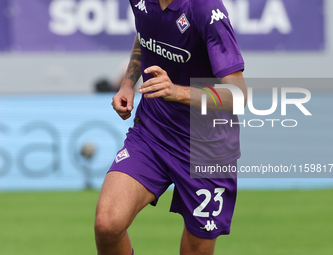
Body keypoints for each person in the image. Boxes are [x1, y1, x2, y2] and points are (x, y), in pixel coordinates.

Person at [94, 0, 247, 254]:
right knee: (107, 224)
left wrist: (177, 91)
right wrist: (128, 83)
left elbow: (238, 95)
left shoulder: (207, 11)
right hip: (152, 134)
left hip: (207, 147)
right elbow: (145, 35)